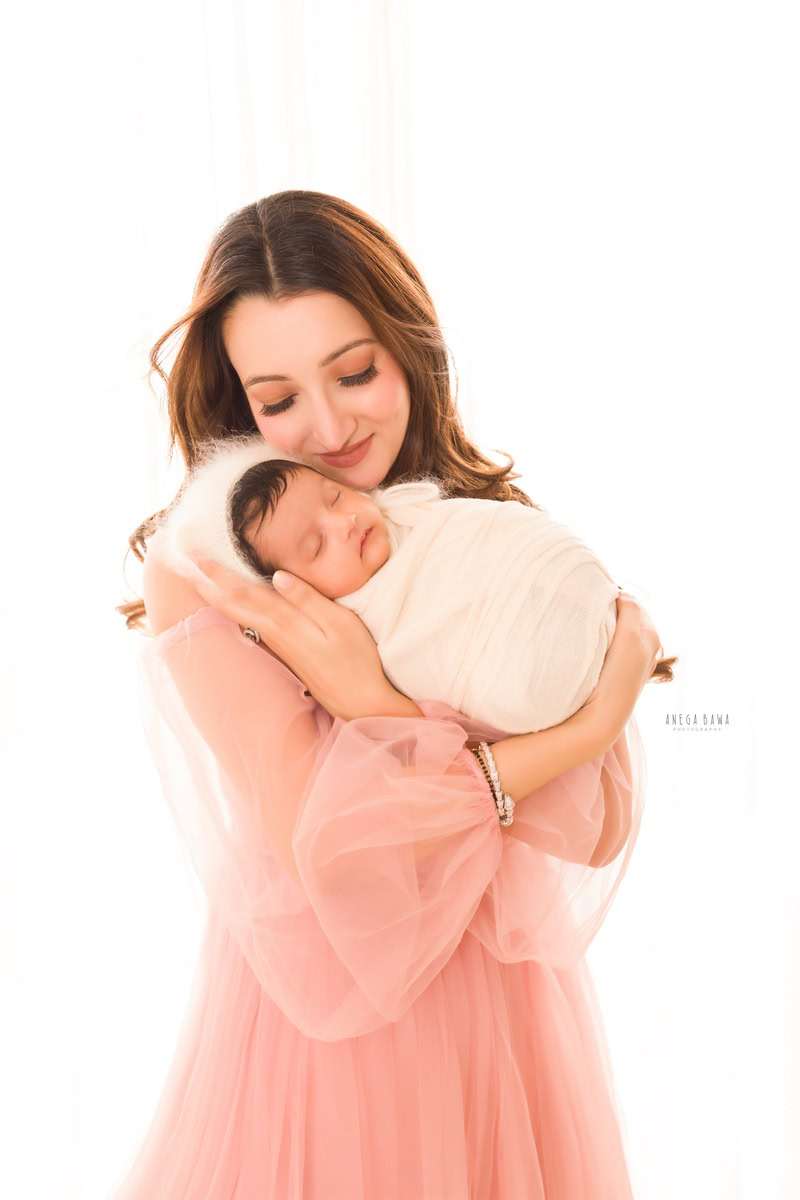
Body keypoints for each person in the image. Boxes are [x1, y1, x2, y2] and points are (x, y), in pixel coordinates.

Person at [112, 189, 665, 1199]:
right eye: (278, 399)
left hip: (502, 1016)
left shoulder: (472, 526)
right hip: (333, 1028)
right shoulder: (211, 573)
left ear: (408, 347)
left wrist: (407, 727)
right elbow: (328, 848)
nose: (327, 428)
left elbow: (594, 827)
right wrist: (585, 720)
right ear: (241, 405)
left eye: (355, 371)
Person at [155, 431, 676, 736]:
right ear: (295, 589)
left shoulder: (416, 514)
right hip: (526, 676)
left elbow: (487, 536)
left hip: (572, 594)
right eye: (315, 546)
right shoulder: (354, 627)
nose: (344, 524)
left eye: (334, 497)